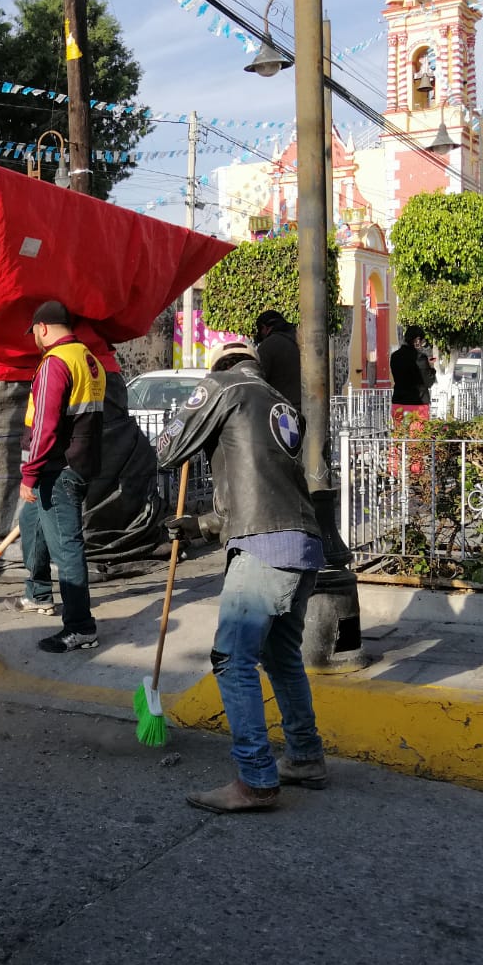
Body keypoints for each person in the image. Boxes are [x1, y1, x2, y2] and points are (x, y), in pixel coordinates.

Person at [156, 341, 327, 813]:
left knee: (232, 660)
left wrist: (194, 406)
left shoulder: (223, 385)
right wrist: (199, 525)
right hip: (302, 542)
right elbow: (256, 489)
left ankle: (256, 779)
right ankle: (305, 756)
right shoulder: (280, 404)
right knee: (281, 658)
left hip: (263, 545)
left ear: (220, 367)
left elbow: (167, 449)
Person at [11, 300, 105, 653]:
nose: (34, 339)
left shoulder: (55, 363)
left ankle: (80, 627)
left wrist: (29, 473)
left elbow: (45, 426)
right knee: (31, 521)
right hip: (78, 463)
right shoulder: (89, 359)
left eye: (34, 332)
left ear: (43, 328)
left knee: (66, 547)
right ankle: (37, 593)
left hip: (58, 469)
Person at [253, 309, 301, 410]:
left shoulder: (268, 345)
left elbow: (258, 379)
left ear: (264, 328)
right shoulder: (302, 338)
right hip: (308, 406)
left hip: (281, 410)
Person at [389, 325, 432, 418]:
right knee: (418, 428)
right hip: (417, 405)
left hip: (398, 402)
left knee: (400, 428)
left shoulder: (395, 356)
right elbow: (428, 382)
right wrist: (431, 369)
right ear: (417, 340)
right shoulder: (420, 358)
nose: (422, 345)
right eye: (422, 342)